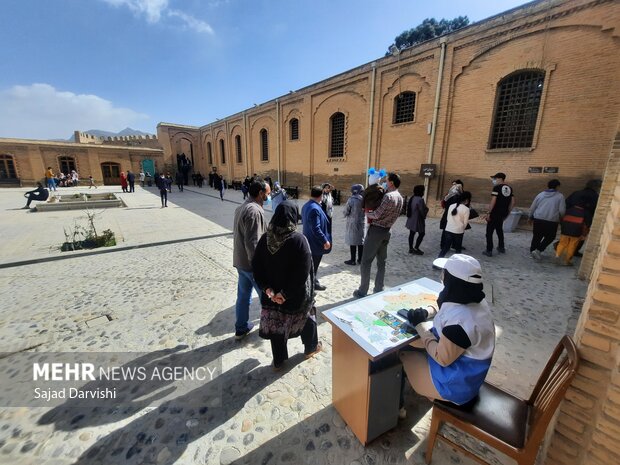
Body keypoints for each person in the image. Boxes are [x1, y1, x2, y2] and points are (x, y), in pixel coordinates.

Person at [400, 254, 495, 407]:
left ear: (451, 280)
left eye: (444, 273)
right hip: (467, 371)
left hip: (455, 385)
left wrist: (420, 326)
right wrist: (427, 311)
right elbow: (446, 305)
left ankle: (399, 406)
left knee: (400, 352)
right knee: (417, 344)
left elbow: (441, 357)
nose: (441, 275)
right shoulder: (474, 299)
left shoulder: (460, 324)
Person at [252, 201, 322, 370]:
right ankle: (311, 348)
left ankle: (278, 361)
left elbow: (256, 266)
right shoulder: (298, 240)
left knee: (277, 327)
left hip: (271, 298)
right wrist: (285, 294)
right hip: (295, 297)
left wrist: (268, 289)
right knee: (307, 317)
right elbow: (303, 273)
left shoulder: (265, 239)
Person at [353, 172, 403, 298]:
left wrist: (366, 213)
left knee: (366, 261)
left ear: (391, 182)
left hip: (376, 231)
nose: (385, 182)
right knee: (382, 262)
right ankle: (379, 287)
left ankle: (362, 291)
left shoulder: (388, 197)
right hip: (387, 231)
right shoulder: (400, 197)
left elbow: (376, 214)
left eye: (387, 180)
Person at [232, 178, 271, 340]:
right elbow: (253, 243)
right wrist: (260, 269)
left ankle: (241, 328)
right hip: (251, 265)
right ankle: (271, 328)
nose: (269, 197)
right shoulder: (254, 211)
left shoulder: (242, 207)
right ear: (260, 193)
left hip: (241, 262)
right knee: (267, 300)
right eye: (268, 194)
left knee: (243, 296)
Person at [302, 186, 332, 291]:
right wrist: (325, 240)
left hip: (309, 240)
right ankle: (311, 285)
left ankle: (314, 282)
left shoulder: (307, 205)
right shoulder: (314, 208)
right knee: (313, 266)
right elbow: (316, 228)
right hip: (315, 243)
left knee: (312, 266)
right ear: (321, 195)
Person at [561, 179, 601, 257]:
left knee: (567, 233)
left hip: (569, 217)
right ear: (597, 187)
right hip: (584, 220)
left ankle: (562, 247)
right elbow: (595, 209)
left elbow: (566, 203)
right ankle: (573, 251)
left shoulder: (576, 193)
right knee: (580, 236)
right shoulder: (595, 196)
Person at [528, 179, 565, 260]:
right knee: (550, 237)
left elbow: (533, 207)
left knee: (537, 236)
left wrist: (530, 217)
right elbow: (562, 210)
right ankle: (538, 250)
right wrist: (561, 217)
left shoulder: (540, 195)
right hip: (551, 220)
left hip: (538, 219)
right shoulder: (560, 196)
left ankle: (532, 251)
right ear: (557, 186)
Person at [482, 172, 515, 257]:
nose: (494, 180)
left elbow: (493, 200)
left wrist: (489, 212)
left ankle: (489, 250)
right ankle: (501, 247)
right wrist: (508, 213)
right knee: (499, 230)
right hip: (503, 213)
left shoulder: (497, 188)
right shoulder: (510, 188)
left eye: (495, 178)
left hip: (495, 212)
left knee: (489, 232)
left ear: (500, 178)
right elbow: (513, 202)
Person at [438, 192, 472, 258]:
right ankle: (456, 265)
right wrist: (462, 229)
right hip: (459, 231)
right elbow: (465, 223)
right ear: (467, 200)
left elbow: (448, 218)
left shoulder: (451, 206)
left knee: (445, 248)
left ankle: (437, 262)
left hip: (448, 229)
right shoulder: (466, 209)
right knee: (458, 250)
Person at [343, 184, 365, 265]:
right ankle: (360, 259)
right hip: (362, 222)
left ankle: (352, 260)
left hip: (352, 223)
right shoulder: (364, 199)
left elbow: (346, 211)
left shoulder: (351, 200)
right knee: (360, 241)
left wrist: (345, 214)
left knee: (352, 241)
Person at [439, 180, 463, 251]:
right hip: (452, 216)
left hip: (447, 215)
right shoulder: (457, 197)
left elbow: (444, 204)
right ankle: (448, 246)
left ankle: (444, 245)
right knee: (451, 231)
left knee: (446, 230)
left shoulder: (448, 195)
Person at [406, 185, 428, 255]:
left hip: (411, 219)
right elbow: (422, 210)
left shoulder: (413, 198)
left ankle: (410, 248)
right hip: (418, 220)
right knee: (422, 233)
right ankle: (416, 247)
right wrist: (426, 212)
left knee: (412, 234)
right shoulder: (420, 199)